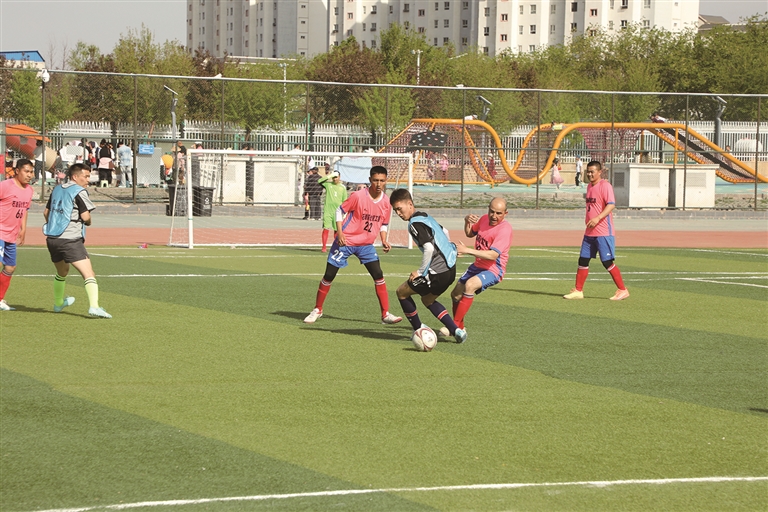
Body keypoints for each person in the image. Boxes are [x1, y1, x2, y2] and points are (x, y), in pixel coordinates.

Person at [304, 165, 402, 325]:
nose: (379, 184)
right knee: (329, 275)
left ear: (386, 181)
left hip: (366, 245)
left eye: (382, 180)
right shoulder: (358, 196)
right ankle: (317, 309)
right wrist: (340, 233)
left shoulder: (386, 202)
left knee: (378, 274)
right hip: (346, 241)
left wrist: (384, 239)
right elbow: (339, 211)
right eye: (375, 180)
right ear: (370, 180)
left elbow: (383, 224)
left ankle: (385, 314)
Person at [390, 188, 467, 344]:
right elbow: (444, 231)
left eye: (399, 208)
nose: (398, 213)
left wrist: (420, 272)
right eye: (395, 210)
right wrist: (450, 250)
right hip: (450, 270)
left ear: (409, 204)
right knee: (427, 300)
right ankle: (456, 330)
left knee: (401, 292)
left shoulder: (414, 223)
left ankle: (418, 330)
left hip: (436, 273)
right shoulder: (425, 216)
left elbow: (429, 248)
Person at [43, 163, 112, 318]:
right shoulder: (79, 191)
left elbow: (46, 213)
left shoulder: (57, 189)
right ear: (75, 177)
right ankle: (94, 307)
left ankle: (58, 303)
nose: (88, 180)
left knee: (62, 272)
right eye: (85, 176)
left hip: (52, 239)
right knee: (89, 274)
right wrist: (88, 222)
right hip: (70, 240)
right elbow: (86, 217)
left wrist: (54, 226)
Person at [563, 161, 629, 301]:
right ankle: (578, 290)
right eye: (588, 171)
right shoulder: (589, 186)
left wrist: (597, 218)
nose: (589, 174)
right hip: (589, 232)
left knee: (607, 262)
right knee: (583, 260)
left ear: (600, 172)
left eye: (592, 171)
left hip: (603, 232)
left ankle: (623, 290)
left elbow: (611, 205)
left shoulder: (605, 186)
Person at [446, 197, 513, 333]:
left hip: (494, 269)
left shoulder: (505, 229)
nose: (494, 216)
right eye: (492, 211)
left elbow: (493, 255)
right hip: (477, 265)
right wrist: (466, 221)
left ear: (505, 213)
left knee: (470, 285)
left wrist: (467, 250)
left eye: (498, 213)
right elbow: (470, 233)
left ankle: (454, 327)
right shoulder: (483, 219)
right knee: (455, 295)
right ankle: (460, 329)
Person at [0, 159, 35, 310]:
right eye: (26, 171)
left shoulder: (29, 190)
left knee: (10, 267)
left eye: (31, 172)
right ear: (17, 171)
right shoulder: (5, 186)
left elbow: (25, 210)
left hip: (11, 234)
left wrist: (23, 228)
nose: (29, 175)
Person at [318, 169, 347, 252]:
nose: (335, 179)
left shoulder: (342, 188)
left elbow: (345, 200)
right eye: (333, 177)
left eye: (336, 177)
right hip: (328, 210)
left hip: (337, 211)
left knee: (336, 230)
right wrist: (330, 175)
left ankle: (336, 246)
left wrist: (344, 212)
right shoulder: (328, 185)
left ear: (339, 177)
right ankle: (324, 247)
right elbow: (319, 181)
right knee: (326, 228)